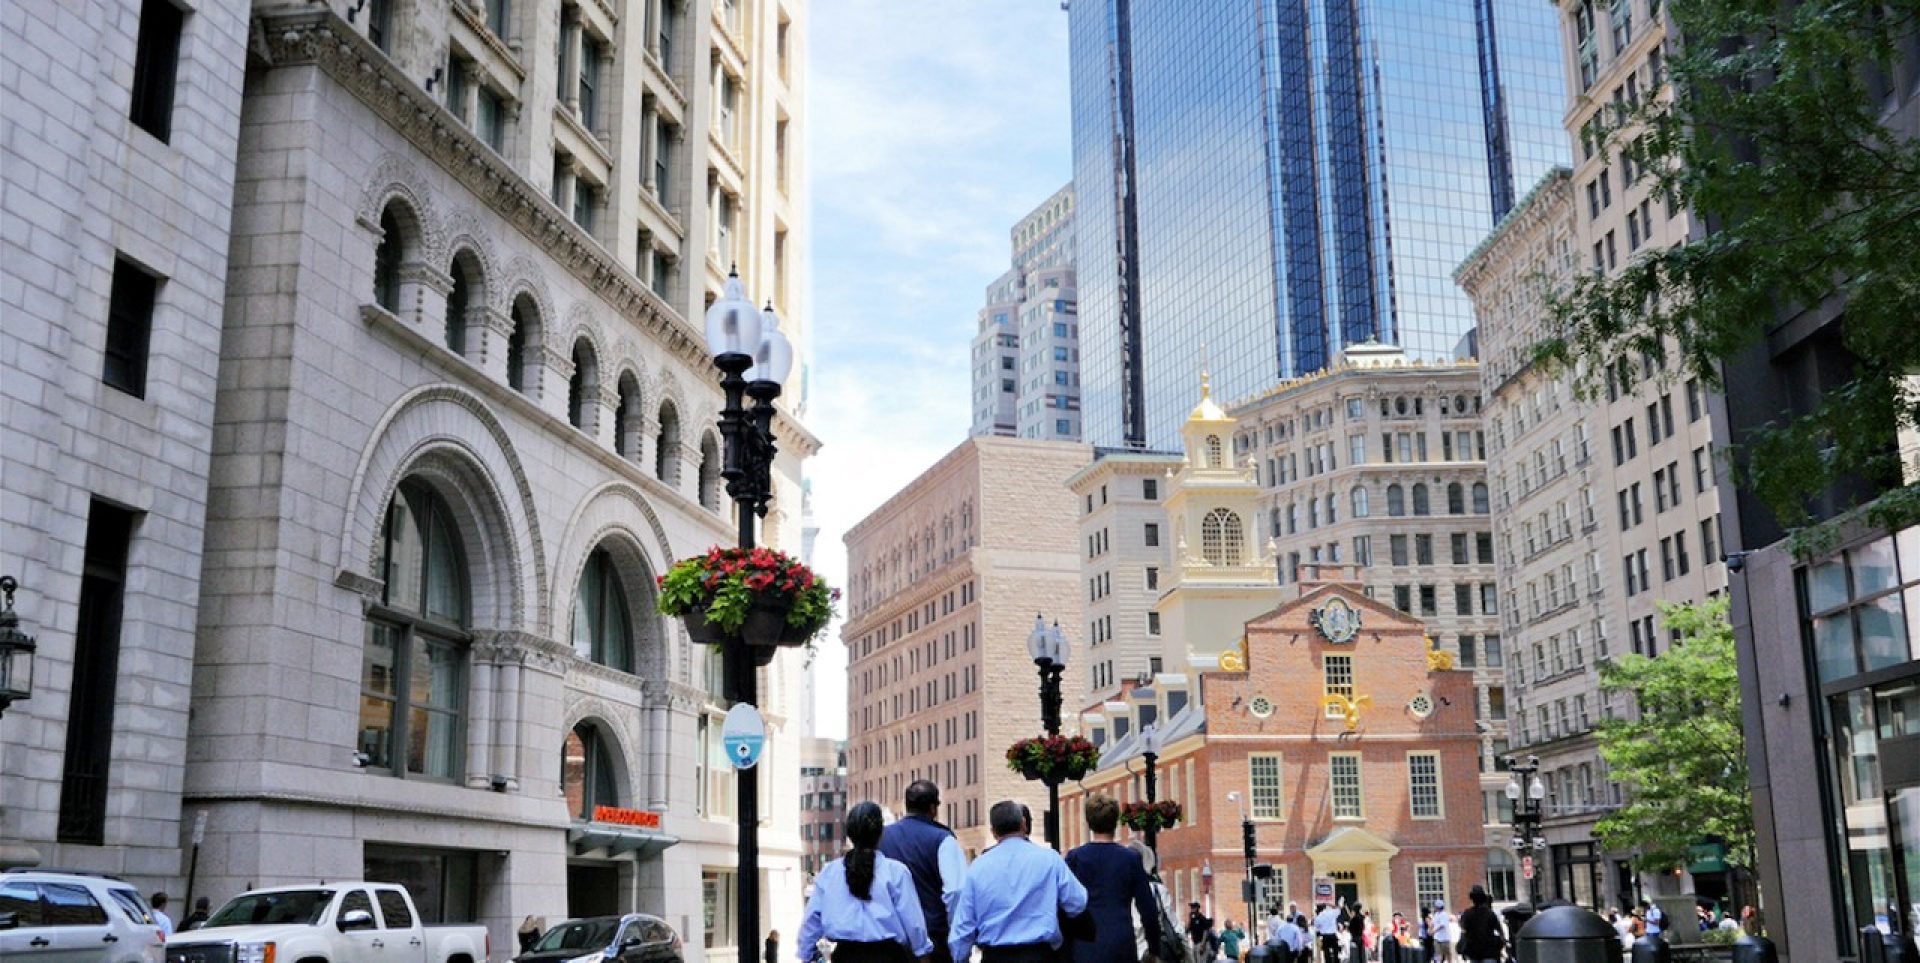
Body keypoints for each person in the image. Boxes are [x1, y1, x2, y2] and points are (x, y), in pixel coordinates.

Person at [950, 801, 1089, 963]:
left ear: (994, 832)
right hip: (1039, 954)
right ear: (1023, 824)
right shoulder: (1049, 859)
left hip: (996, 956)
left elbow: (964, 926)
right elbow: (1077, 902)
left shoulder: (977, 867)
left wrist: (960, 957)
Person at [797, 801, 934, 963]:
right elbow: (914, 923)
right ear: (880, 832)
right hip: (889, 957)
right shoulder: (896, 872)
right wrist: (923, 953)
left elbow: (812, 920)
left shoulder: (830, 873)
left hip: (845, 956)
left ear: (849, 834)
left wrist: (807, 954)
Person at [1065, 794, 1161, 963]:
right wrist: (1154, 948)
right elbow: (1147, 908)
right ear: (1116, 821)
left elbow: (1064, 904)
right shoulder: (1130, 859)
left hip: (1085, 943)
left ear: (1089, 822)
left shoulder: (1075, 858)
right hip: (1120, 940)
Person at [879, 780, 968, 963]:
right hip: (933, 940)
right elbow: (956, 891)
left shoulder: (882, 837)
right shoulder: (942, 838)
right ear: (933, 808)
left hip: (891, 941)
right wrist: (957, 936)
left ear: (906, 805)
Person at [1455, 886, 1503, 963]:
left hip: (1474, 952)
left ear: (1472, 899)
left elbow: (1462, 927)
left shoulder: (1468, 913)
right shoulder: (1490, 913)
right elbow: (1499, 930)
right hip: (1489, 951)